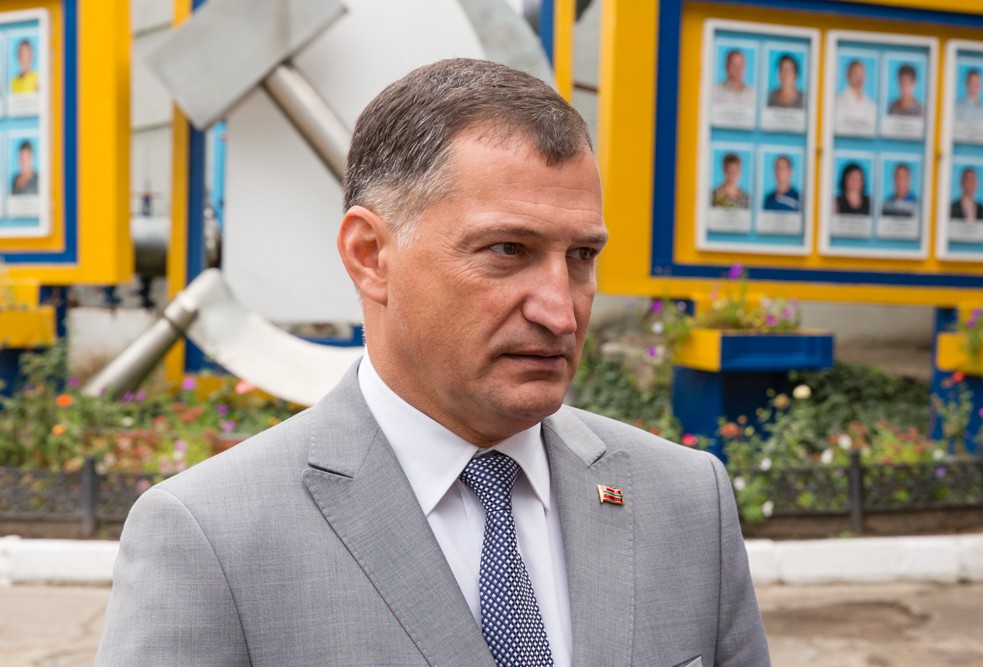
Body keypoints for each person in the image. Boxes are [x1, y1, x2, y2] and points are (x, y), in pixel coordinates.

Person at [96, 59, 769, 666]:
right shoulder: (209, 536)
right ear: (370, 255)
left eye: (581, 257)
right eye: (508, 250)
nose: (561, 313)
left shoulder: (686, 500)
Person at [833, 59, 876, 131]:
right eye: (856, 73)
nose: (859, 78)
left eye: (862, 74)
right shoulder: (838, 100)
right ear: (848, 75)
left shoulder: (870, 104)